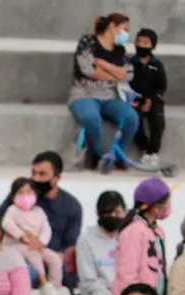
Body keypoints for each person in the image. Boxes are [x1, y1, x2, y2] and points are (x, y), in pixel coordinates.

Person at [69, 13, 139, 174]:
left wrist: (102, 64)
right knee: (91, 117)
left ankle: (117, 156)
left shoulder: (120, 50)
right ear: (112, 26)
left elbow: (128, 74)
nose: (126, 34)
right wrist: (115, 74)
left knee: (131, 118)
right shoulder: (88, 42)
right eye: (124, 29)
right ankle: (100, 155)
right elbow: (87, 69)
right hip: (84, 94)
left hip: (110, 96)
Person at [1, 176, 70, 295]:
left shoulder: (39, 211)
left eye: (29, 192)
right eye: (20, 192)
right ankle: (44, 284)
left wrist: (41, 242)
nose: (25, 196)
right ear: (13, 196)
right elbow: (6, 224)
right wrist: (23, 236)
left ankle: (54, 289)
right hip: (16, 246)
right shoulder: (13, 210)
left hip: (36, 245)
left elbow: (46, 229)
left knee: (54, 258)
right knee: (33, 255)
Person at [0, 152, 82, 254]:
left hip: (51, 256)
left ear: (57, 178)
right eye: (33, 173)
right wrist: (20, 235)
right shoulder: (21, 195)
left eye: (42, 174)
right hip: (17, 254)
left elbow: (69, 245)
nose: (35, 179)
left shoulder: (71, 206)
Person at [111, 177, 173, 295]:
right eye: (167, 201)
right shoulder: (133, 232)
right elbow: (127, 273)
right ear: (156, 207)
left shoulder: (157, 231)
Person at [76, 190, 127, 295]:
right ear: (99, 215)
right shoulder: (86, 240)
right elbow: (89, 281)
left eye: (117, 213)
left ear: (125, 213)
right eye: (108, 213)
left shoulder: (128, 238)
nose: (112, 216)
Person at [130, 28, 168, 166]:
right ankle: (145, 149)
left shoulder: (157, 65)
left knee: (158, 120)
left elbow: (161, 86)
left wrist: (151, 100)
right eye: (139, 42)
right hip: (134, 99)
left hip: (153, 99)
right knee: (134, 121)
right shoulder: (130, 63)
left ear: (153, 46)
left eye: (146, 43)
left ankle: (154, 152)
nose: (141, 46)